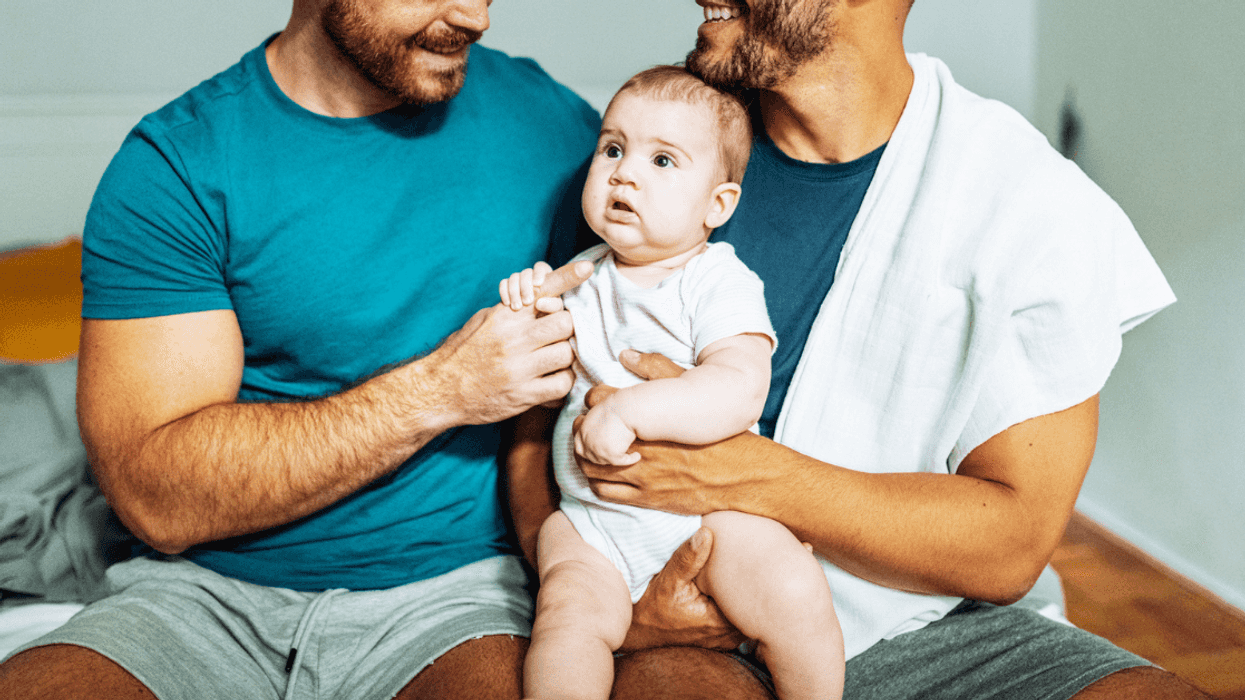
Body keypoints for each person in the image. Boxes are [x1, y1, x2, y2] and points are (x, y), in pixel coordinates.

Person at [507, 0, 1213, 698]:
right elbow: (535, 427)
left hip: (931, 616)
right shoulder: (656, 143)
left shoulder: (1032, 206)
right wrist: (602, 599)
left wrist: (746, 475)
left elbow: (1010, 547)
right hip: (671, 593)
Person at [0, 1, 606, 698]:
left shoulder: (554, 129)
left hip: (458, 595)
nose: (474, 16)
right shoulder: (179, 164)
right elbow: (155, 499)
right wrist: (442, 390)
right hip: (198, 594)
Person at [500, 66, 844, 700]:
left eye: (662, 160)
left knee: (793, 588)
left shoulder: (717, 282)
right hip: (592, 526)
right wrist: (528, 306)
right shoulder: (580, 277)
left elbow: (739, 386)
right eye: (612, 149)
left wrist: (629, 412)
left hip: (709, 517)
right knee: (566, 622)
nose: (624, 174)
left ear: (718, 205)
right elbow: (532, 371)